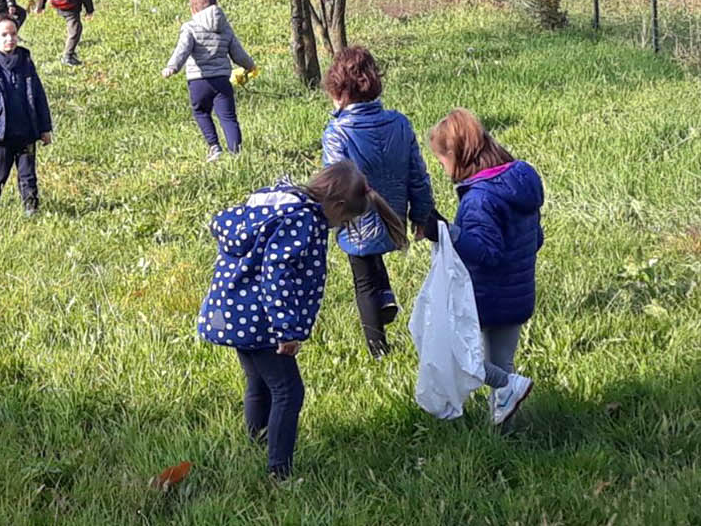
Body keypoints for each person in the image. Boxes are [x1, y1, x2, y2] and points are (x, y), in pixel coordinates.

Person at [197, 160, 404, 480]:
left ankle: (257, 443)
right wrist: (287, 329)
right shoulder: (302, 221)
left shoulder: (278, 199)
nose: (338, 226)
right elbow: (277, 276)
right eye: (344, 219)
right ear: (335, 205)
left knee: (258, 381)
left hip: (233, 310)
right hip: (262, 319)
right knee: (288, 391)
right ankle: (279, 471)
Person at [428, 109, 543, 426]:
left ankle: (509, 387)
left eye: (441, 161)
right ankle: (506, 434)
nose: (443, 169)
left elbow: (487, 253)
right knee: (501, 363)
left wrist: (449, 234)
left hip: (485, 297)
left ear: (456, 155)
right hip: (519, 294)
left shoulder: (480, 199)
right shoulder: (520, 183)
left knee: (460, 358)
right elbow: (536, 239)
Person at [321, 46, 436, 358]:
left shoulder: (337, 132)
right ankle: (386, 298)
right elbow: (417, 174)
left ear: (338, 90)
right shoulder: (399, 123)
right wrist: (422, 214)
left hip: (357, 220)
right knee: (373, 253)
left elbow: (335, 186)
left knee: (363, 283)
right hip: (394, 215)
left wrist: (325, 221)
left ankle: (378, 350)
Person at [0, 15, 53, 214]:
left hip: (26, 130)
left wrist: (44, 128)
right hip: (2, 133)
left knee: (28, 174)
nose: (10, 39)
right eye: (4, 35)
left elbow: (38, 95)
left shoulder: (26, 62)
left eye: (13, 34)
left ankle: (31, 208)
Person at [162, 0, 256, 161]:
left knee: (201, 111)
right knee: (228, 117)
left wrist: (172, 67)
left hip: (199, 81)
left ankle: (214, 146)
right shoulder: (225, 28)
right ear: (215, 5)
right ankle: (236, 153)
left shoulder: (190, 27)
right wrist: (250, 65)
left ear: (193, 9)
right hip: (222, 80)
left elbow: (182, 50)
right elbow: (238, 53)